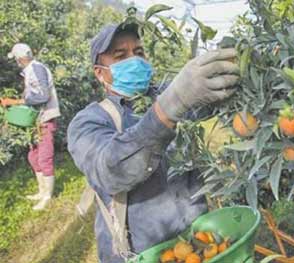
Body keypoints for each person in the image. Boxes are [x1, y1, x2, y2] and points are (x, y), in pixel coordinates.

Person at [67, 22, 239, 262]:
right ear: (100, 72)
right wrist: (166, 111)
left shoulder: (163, 94)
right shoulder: (89, 121)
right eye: (120, 55)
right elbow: (111, 172)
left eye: (138, 52)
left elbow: (207, 101)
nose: (134, 60)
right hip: (142, 251)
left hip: (195, 240)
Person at [1, 43, 61, 210]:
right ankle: (42, 191)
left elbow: (43, 95)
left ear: (20, 58)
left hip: (45, 119)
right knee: (33, 156)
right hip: (35, 121)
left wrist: (16, 101)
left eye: (17, 59)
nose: (17, 62)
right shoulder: (29, 71)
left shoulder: (36, 68)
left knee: (44, 157)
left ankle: (48, 196)